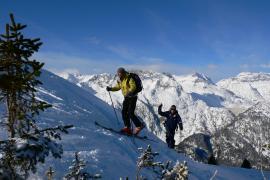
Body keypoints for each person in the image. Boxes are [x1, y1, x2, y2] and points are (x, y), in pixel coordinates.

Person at [106, 67, 144, 135]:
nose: (119, 75)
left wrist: (129, 92)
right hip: (126, 97)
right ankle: (127, 128)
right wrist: (111, 89)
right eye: (118, 74)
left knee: (130, 113)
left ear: (123, 73)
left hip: (132, 97)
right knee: (124, 112)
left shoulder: (129, 78)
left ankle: (139, 125)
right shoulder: (120, 79)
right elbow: (118, 87)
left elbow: (133, 86)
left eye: (120, 73)